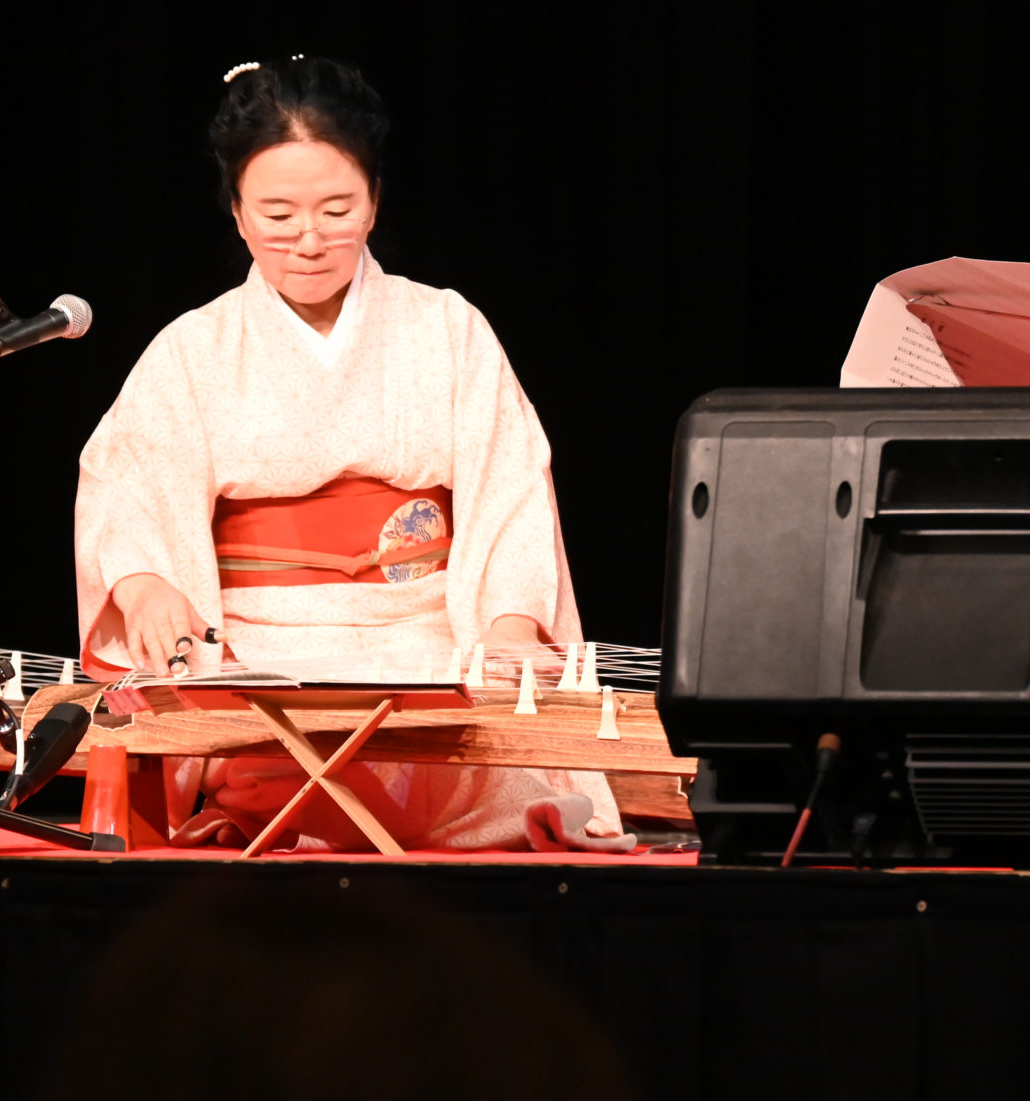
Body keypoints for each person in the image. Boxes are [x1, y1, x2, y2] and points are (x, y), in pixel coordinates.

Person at [73, 56, 626, 851]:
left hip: (429, 650)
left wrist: (508, 626)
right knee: (270, 769)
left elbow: (511, 493)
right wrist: (148, 582)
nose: (308, 238)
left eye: (336, 208)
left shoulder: (447, 329)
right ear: (235, 212)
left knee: (480, 767)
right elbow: (127, 488)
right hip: (258, 658)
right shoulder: (192, 351)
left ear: (373, 204)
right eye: (278, 213)